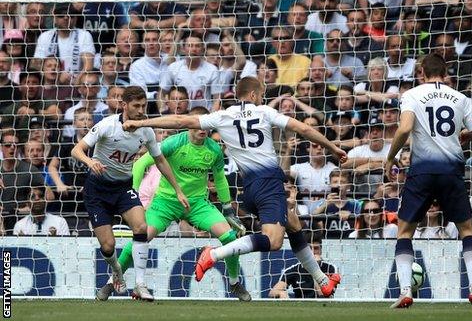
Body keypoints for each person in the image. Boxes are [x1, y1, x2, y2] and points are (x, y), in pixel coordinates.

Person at [122, 77, 347, 298]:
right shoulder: (264, 112)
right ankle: (215, 254)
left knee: (294, 223)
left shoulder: (221, 117)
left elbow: (180, 120)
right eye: (260, 95)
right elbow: (303, 129)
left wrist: (141, 122)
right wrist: (332, 147)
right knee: (275, 241)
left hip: (248, 188)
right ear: (252, 95)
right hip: (268, 183)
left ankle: (323, 281)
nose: (261, 99)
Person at [96, 107, 251, 301]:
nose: (202, 130)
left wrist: (228, 209)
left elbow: (220, 179)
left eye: (206, 126)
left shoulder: (214, 150)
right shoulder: (173, 143)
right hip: (166, 202)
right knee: (140, 238)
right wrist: (133, 194)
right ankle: (112, 281)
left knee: (229, 238)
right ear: (188, 126)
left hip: (197, 204)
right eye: (197, 125)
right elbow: (140, 164)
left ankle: (235, 284)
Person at [383, 53, 472, 309]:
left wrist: (390, 157)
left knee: (405, 232)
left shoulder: (412, 94)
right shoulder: (462, 98)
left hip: (422, 172)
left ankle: (406, 291)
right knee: (467, 231)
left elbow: (405, 128)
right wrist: (460, 134)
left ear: (421, 72)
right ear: (446, 73)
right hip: (452, 172)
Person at [71, 86, 189, 301]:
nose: (141, 110)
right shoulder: (107, 125)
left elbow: (160, 160)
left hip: (123, 187)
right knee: (108, 245)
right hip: (97, 189)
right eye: (136, 106)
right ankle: (117, 270)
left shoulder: (146, 130)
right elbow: (76, 150)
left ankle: (141, 284)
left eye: (143, 105)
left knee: (141, 226)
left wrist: (178, 190)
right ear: (124, 105)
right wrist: (90, 161)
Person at [268, 235, 337, 299]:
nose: (312, 252)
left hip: (323, 307)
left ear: (321, 251)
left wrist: (315, 268)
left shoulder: (330, 268)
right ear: (304, 252)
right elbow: (272, 292)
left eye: (316, 248)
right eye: (309, 249)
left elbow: (323, 295)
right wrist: (280, 293)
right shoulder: (294, 270)